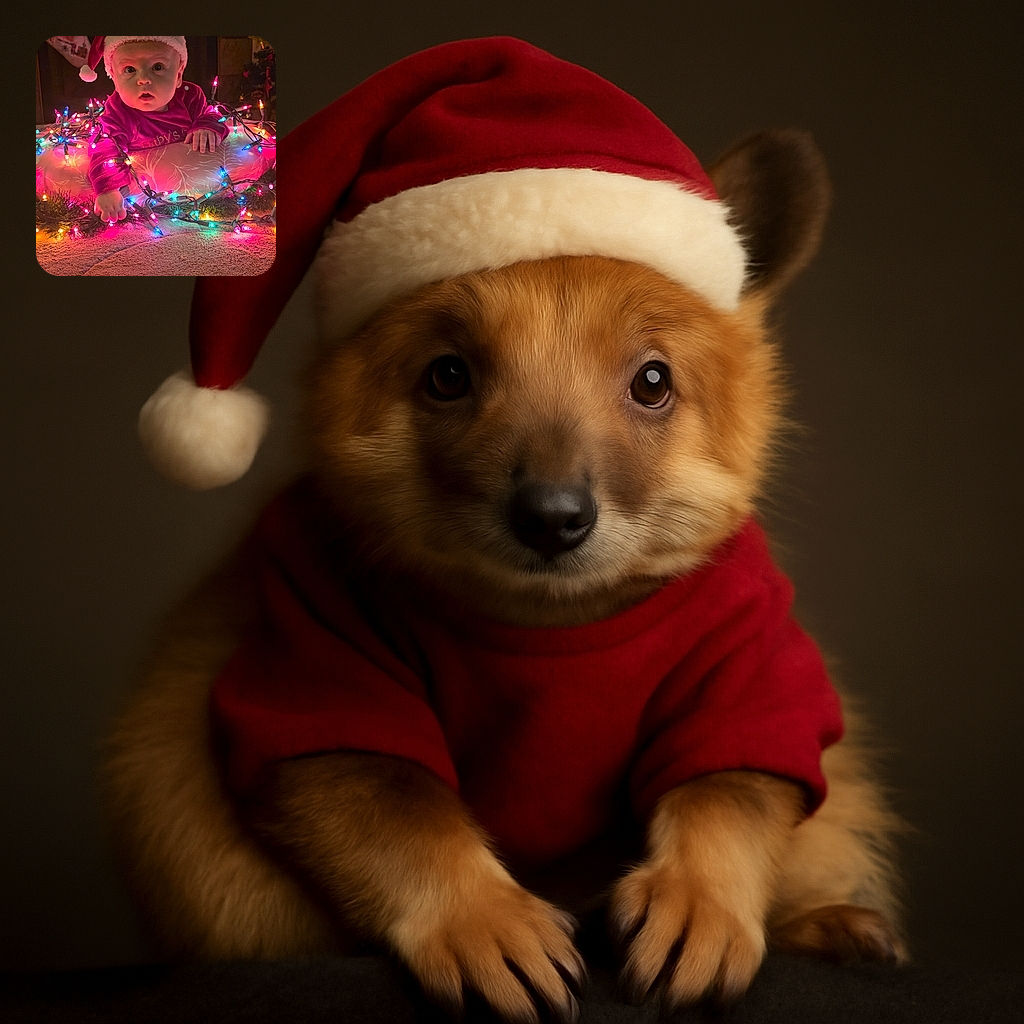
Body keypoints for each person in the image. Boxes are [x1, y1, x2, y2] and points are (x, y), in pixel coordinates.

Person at [82, 36, 227, 222]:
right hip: (150, 194)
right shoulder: (117, 111)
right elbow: (105, 145)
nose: (143, 79)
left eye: (157, 67)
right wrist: (108, 188)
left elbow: (211, 114)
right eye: (129, 69)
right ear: (115, 80)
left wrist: (206, 126)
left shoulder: (190, 97)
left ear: (178, 75)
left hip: (189, 190)